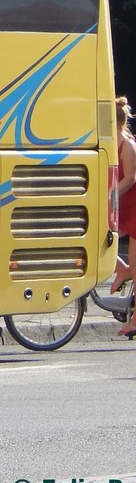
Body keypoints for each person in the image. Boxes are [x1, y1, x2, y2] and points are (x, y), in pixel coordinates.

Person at [110, 96, 136, 334]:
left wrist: (113, 192)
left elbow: (131, 178)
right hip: (123, 207)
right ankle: (122, 269)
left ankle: (135, 322)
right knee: (103, 238)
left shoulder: (127, 144)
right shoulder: (111, 142)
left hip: (133, 207)